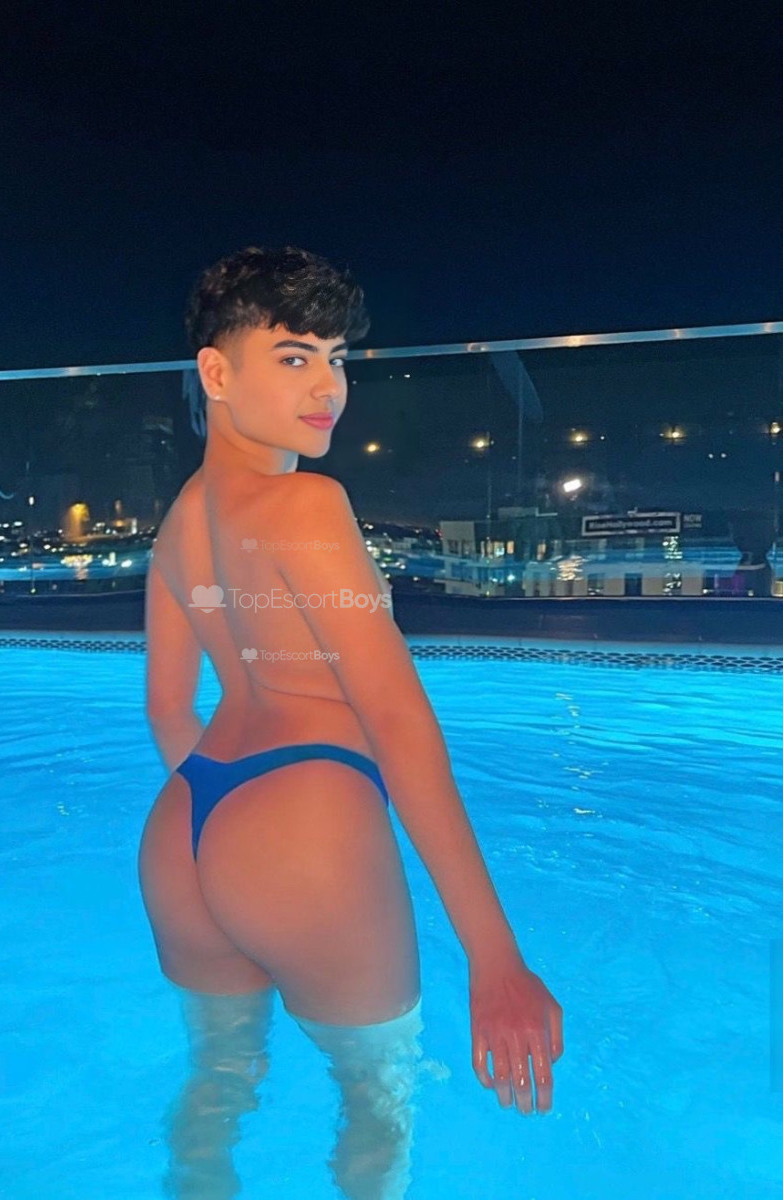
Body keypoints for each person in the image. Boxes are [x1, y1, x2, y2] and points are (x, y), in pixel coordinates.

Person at [139, 245, 564, 1198]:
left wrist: (229, 836)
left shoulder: (179, 520)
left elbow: (167, 708)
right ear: (216, 373)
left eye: (336, 359)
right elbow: (397, 722)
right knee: (377, 1102)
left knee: (216, 1088)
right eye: (294, 356)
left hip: (183, 825)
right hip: (306, 820)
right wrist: (494, 958)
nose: (327, 386)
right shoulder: (305, 504)